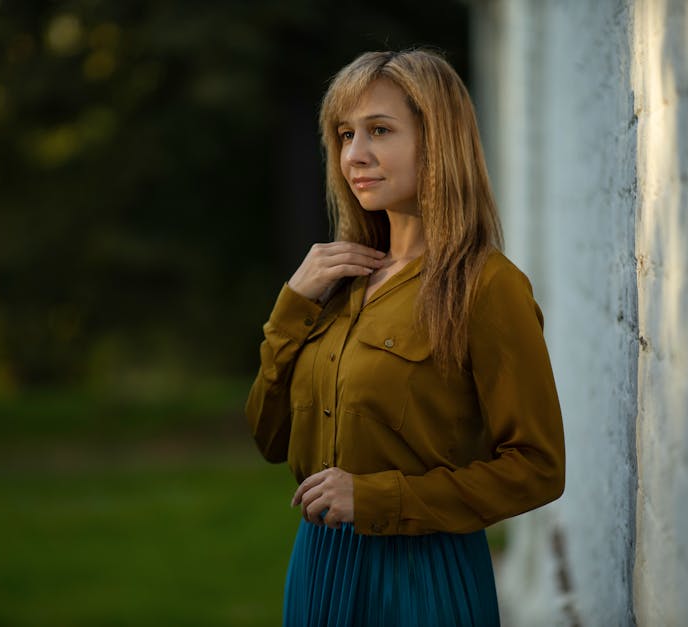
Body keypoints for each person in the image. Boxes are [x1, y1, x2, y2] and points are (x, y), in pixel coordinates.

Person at [245, 49, 565, 627]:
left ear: (437, 140)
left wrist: (375, 499)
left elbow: (538, 468)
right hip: (317, 565)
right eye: (344, 134)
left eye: (380, 131)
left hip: (423, 575)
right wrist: (291, 305)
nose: (354, 156)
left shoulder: (486, 286)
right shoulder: (337, 282)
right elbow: (270, 438)